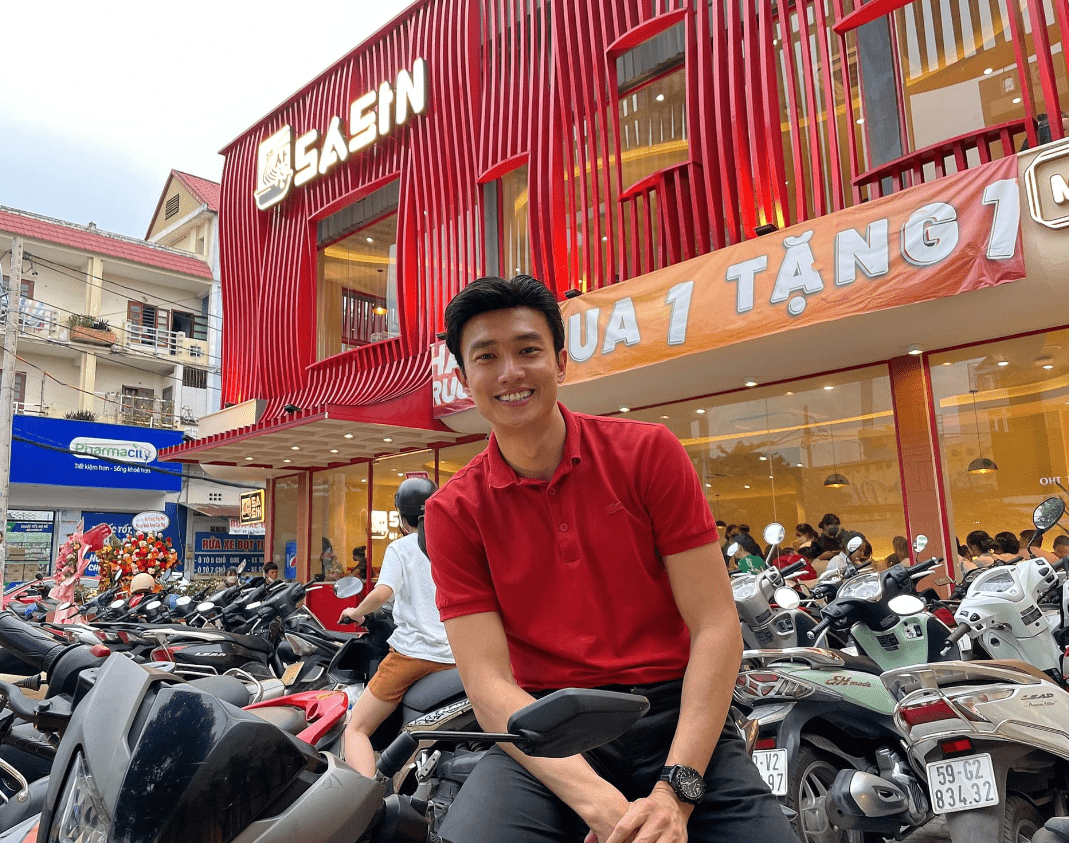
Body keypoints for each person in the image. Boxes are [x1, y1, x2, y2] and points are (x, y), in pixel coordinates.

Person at [424, 276, 793, 843]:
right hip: (546, 725)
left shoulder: (648, 454)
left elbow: (716, 625)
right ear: (464, 376)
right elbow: (488, 682)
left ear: (560, 362)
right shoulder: (453, 511)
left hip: (673, 711)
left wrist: (676, 792)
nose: (510, 372)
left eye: (528, 350)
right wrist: (601, 805)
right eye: (487, 356)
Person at [339, 477, 454, 777]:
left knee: (355, 729)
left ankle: (367, 795)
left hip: (411, 657)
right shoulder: (454, 542)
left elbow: (383, 593)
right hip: (456, 657)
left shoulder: (401, 548)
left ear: (402, 519)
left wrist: (355, 612)